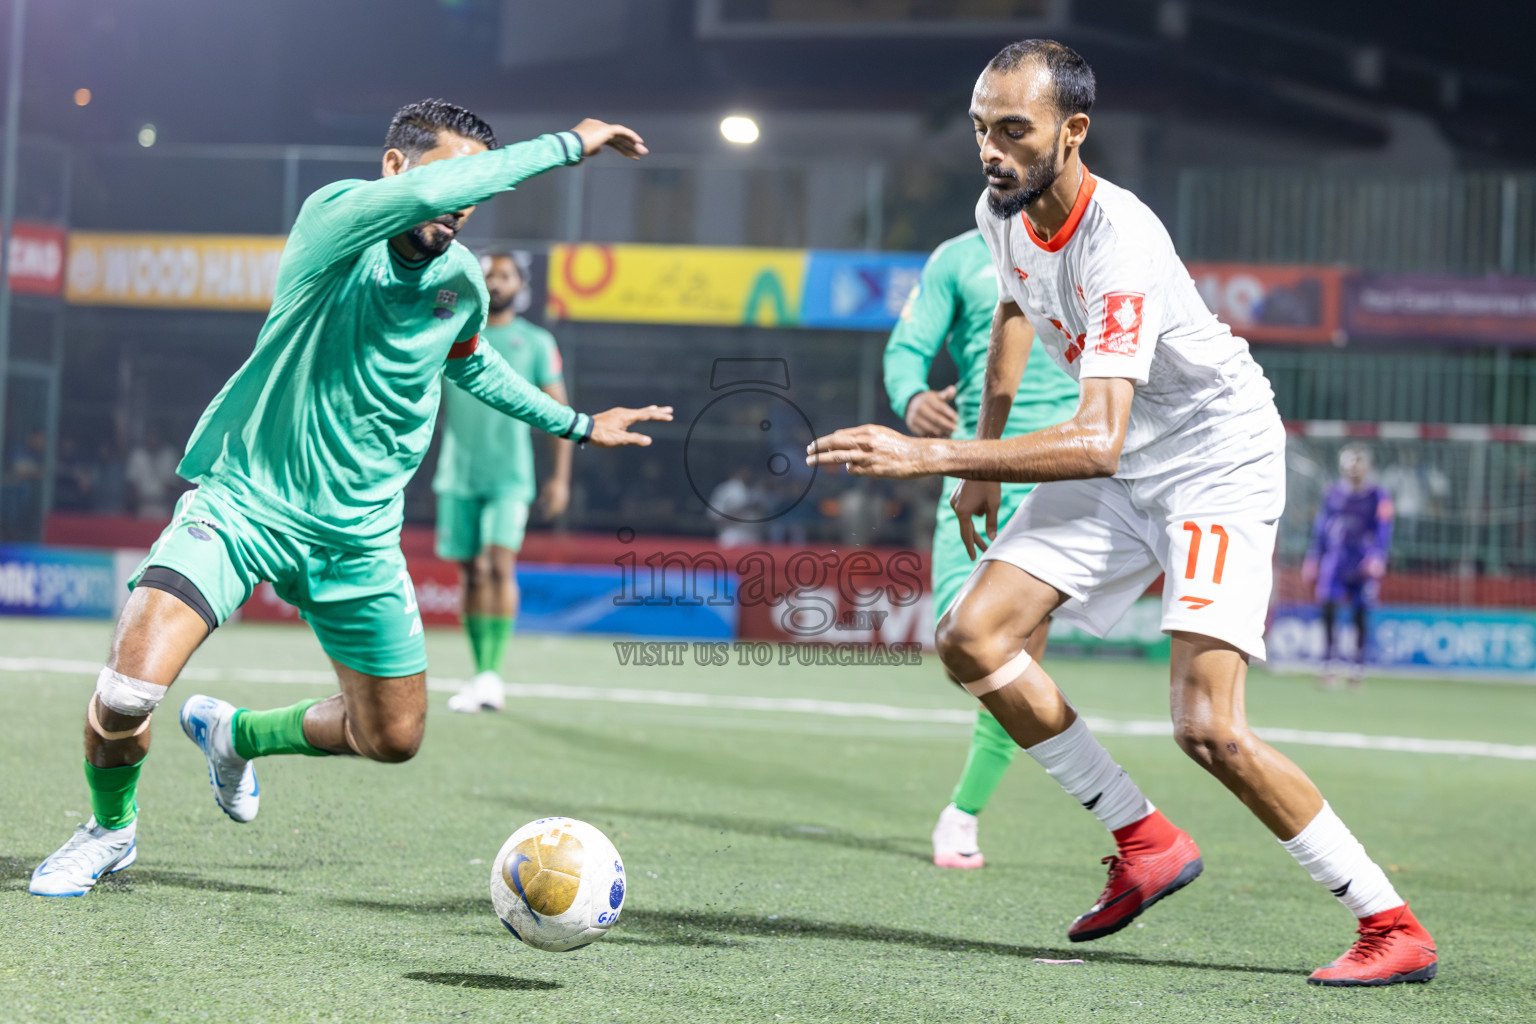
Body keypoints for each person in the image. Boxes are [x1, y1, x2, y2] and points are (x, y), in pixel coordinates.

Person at [806, 40, 1435, 987]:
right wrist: (983, 458)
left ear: (1074, 130)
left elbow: (1096, 437)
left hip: (1213, 461)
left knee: (1208, 730)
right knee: (972, 636)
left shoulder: (1122, 239)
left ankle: (1390, 923)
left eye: (1014, 130)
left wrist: (934, 453)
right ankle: (1145, 840)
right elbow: (1017, 315)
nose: (991, 150)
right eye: (982, 129)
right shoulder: (999, 209)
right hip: (1123, 459)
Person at [30, 100, 671, 898]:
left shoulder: (461, 280)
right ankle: (110, 831)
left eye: (473, 186)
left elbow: (468, 362)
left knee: (392, 735)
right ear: (396, 167)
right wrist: (570, 146)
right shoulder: (336, 219)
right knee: (125, 695)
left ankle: (236, 734)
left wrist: (576, 424)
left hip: (361, 538)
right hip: (244, 508)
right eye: (449, 178)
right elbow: (458, 190)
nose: (463, 202)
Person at [883, 229, 1078, 869]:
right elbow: (907, 346)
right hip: (974, 474)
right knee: (959, 651)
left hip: (1064, 478)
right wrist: (911, 395)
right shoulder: (956, 257)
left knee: (1011, 654)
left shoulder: (1092, 242)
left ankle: (962, 813)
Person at [435, 252, 573, 714]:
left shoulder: (535, 342)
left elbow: (560, 412)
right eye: (488, 273)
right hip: (457, 474)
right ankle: (478, 673)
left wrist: (560, 479)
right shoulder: (451, 335)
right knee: (470, 572)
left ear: (521, 284)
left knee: (498, 564)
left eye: (506, 275)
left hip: (511, 478)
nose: (496, 281)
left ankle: (493, 674)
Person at [1303, 445, 1393, 689]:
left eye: (1358, 461)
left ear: (1367, 466)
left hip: (1362, 560)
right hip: (1336, 558)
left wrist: (1378, 557)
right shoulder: (1332, 493)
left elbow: (1384, 529)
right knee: (1328, 609)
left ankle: (1358, 666)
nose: (1353, 466)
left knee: (1360, 612)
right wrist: (1314, 557)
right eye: (1349, 461)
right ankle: (1329, 664)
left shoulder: (1377, 495)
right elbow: (1322, 526)